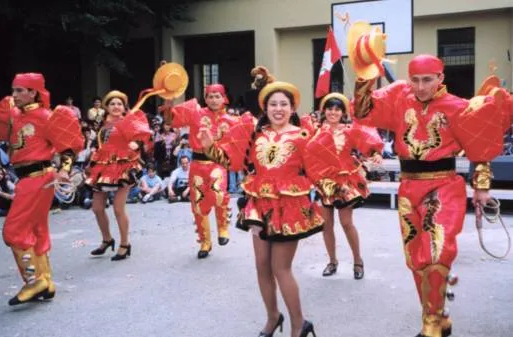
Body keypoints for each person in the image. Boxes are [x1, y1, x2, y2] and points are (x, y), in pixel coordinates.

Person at [349, 22, 506, 337]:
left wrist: (482, 186)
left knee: (437, 251)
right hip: (409, 188)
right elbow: (363, 112)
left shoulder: (457, 107)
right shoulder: (397, 96)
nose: (421, 87)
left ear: (440, 78)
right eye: (416, 80)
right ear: (409, 78)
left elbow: (480, 145)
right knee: (416, 259)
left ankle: (431, 326)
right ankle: (437, 315)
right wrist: (365, 72)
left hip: (444, 186)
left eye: (428, 80)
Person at [199, 79, 322, 337]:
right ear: (265, 108)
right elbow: (232, 161)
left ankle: (299, 324)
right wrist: (210, 145)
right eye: (273, 104)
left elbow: (319, 169)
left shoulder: (303, 136)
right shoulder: (256, 134)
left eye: (284, 104)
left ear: (293, 107)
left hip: (289, 206)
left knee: (281, 268)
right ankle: (273, 317)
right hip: (259, 206)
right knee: (261, 266)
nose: (278, 109)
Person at [0, 73, 84, 305]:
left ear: (33, 92)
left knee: (13, 231)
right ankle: (45, 281)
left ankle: (32, 282)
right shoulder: (14, 115)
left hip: (39, 178)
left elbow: (68, 147)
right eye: (13, 90)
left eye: (19, 90)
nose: (14, 95)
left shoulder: (45, 116)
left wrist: (65, 170)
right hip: (27, 179)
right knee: (37, 229)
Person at [304, 92, 383, 279]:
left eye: (337, 109)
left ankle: (358, 260)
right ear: (324, 110)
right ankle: (332, 261)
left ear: (342, 112)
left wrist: (376, 153)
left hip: (344, 182)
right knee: (326, 225)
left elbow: (367, 142)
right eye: (329, 108)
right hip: (322, 182)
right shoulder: (315, 130)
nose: (333, 112)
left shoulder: (349, 130)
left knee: (347, 223)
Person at [163, 84, 237, 259]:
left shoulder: (232, 120)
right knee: (197, 204)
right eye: (210, 96)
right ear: (205, 98)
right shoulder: (195, 112)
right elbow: (170, 121)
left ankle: (223, 227)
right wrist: (168, 102)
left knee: (218, 194)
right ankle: (205, 241)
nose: (213, 100)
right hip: (196, 164)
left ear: (224, 98)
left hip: (217, 164)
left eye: (217, 96)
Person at [86, 90, 152, 261]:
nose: (116, 106)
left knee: (118, 208)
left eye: (119, 104)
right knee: (97, 208)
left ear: (124, 107)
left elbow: (141, 137)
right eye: (112, 103)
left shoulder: (129, 121)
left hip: (123, 166)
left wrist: (136, 144)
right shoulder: (101, 123)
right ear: (106, 107)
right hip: (102, 166)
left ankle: (125, 244)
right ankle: (107, 239)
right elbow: (97, 141)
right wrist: (93, 150)